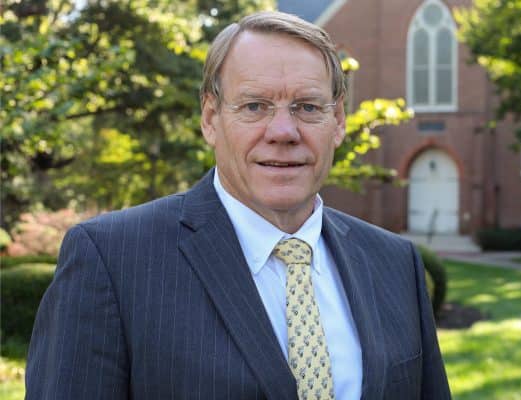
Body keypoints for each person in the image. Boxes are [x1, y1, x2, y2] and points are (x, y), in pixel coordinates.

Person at [26, 11, 451, 400]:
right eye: (254, 106)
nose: (283, 131)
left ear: (337, 120)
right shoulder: (113, 260)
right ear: (211, 118)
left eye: (307, 107)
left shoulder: (395, 263)